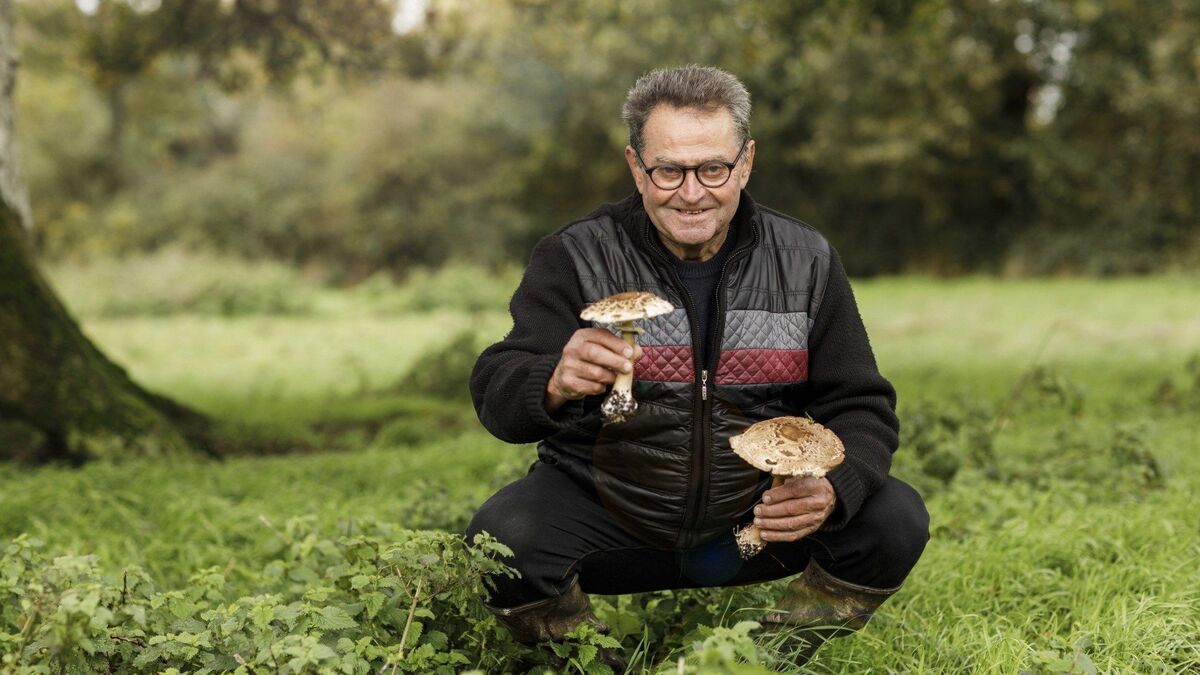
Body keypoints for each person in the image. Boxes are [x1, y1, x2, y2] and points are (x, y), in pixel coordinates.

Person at [466, 65, 929, 670]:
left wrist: (832, 490)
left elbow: (862, 406)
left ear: (746, 162)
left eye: (713, 168)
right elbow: (499, 386)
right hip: (609, 508)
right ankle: (600, 664)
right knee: (502, 540)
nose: (692, 192)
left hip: (753, 523)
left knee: (893, 517)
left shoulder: (807, 260)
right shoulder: (574, 254)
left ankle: (766, 660)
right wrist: (551, 380)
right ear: (636, 167)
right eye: (668, 171)